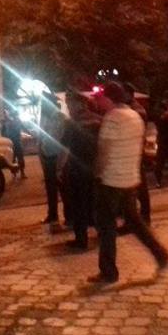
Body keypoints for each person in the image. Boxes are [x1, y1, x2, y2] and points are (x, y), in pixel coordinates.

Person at [89, 82, 168, 284]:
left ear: (108, 98)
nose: (98, 102)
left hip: (111, 180)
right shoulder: (135, 116)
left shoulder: (112, 118)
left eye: (101, 98)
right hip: (130, 178)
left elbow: (104, 150)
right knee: (135, 222)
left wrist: (97, 172)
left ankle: (108, 271)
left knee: (106, 226)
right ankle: (160, 254)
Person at [59, 92, 101, 251]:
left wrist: (59, 168)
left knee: (78, 204)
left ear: (79, 104)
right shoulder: (98, 119)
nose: (69, 108)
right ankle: (102, 234)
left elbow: (64, 146)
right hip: (95, 167)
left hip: (77, 169)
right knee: (94, 202)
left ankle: (81, 240)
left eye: (70, 105)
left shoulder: (72, 123)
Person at [124, 83, 151, 224]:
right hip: (133, 150)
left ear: (129, 94)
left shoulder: (136, 110)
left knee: (140, 186)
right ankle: (136, 217)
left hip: (135, 150)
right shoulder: (133, 108)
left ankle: (144, 216)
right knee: (135, 186)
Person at [38, 93, 66, 230]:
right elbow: (41, 134)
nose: (41, 106)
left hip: (57, 157)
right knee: (50, 188)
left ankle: (69, 216)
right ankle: (52, 215)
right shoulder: (45, 117)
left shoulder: (59, 117)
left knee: (63, 188)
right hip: (47, 156)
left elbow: (57, 139)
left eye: (43, 103)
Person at [3, 108, 26, 179]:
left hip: (13, 142)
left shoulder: (10, 122)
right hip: (14, 142)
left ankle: (17, 173)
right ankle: (18, 173)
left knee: (15, 158)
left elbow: (24, 127)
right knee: (17, 158)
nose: (17, 116)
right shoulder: (10, 122)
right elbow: (24, 128)